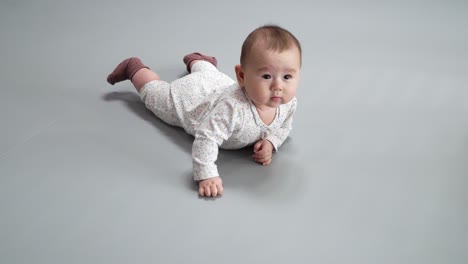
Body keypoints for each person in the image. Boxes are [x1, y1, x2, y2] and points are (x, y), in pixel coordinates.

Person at [106, 25, 302, 197]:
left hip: (215, 85)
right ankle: (135, 69)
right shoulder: (232, 109)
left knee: (211, 75)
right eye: (267, 76)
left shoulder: (287, 103)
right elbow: (206, 138)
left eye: (287, 77)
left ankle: (199, 60)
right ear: (242, 76)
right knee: (157, 96)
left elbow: (285, 125)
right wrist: (206, 173)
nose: (278, 86)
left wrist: (270, 141)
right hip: (191, 101)